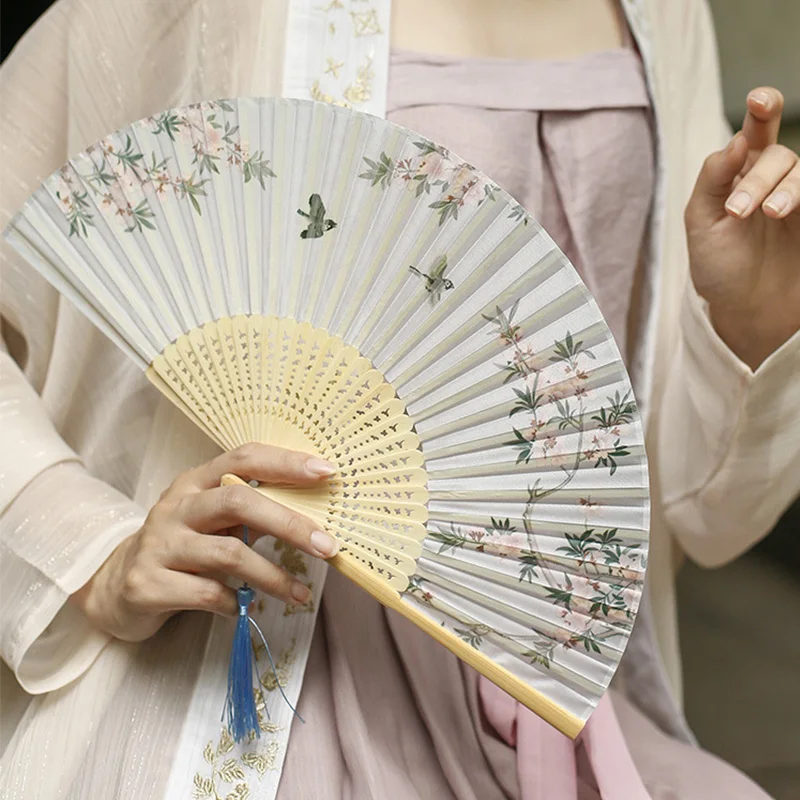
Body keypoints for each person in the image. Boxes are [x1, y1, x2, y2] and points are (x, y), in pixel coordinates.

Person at [1, 0, 798, 798]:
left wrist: (752, 324)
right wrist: (90, 552)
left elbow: (696, 509)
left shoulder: (666, 13)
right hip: (260, 681)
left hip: (550, 693)